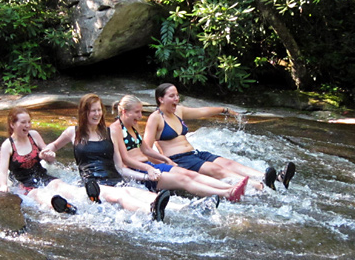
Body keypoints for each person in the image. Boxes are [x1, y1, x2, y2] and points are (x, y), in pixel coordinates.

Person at [42, 94, 178, 222]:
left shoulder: (111, 133)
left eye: (99, 110)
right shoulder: (73, 132)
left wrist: (147, 176)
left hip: (114, 180)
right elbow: (52, 146)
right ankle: (151, 212)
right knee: (121, 195)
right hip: (93, 184)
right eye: (92, 111)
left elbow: (120, 168)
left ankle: (184, 208)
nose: (97, 114)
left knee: (137, 192)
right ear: (84, 113)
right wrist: (47, 153)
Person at [144, 83, 296, 191]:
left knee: (228, 163)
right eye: (172, 96)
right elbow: (145, 148)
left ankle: (273, 178)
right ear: (160, 99)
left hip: (194, 153)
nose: (176, 99)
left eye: (177, 95)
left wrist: (224, 109)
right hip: (180, 159)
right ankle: (259, 187)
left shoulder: (179, 111)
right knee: (217, 170)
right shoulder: (155, 118)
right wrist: (167, 163)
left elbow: (202, 111)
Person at [110, 94, 248, 202]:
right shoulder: (115, 129)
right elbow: (126, 160)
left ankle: (232, 188)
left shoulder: (133, 125)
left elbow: (146, 149)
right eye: (136, 112)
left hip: (149, 165)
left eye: (140, 112)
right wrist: (148, 169)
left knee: (190, 174)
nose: (140, 116)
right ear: (123, 111)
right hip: (139, 173)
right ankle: (227, 194)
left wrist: (165, 159)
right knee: (184, 180)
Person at [0, 107, 91, 215]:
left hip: (41, 175)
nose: (27, 125)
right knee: (39, 194)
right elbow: (2, 172)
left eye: (29, 122)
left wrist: (47, 156)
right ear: (12, 124)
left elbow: (50, 160)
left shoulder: (34, 135)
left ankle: (87, 197)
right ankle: (64, 207)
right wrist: (3, 186)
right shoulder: (7, 145)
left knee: (59, 185)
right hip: (24, 184)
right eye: (23, 122)